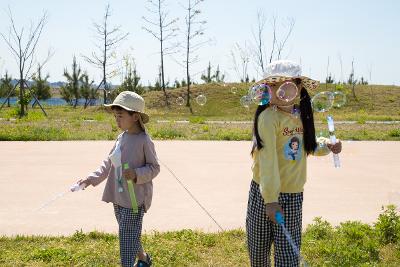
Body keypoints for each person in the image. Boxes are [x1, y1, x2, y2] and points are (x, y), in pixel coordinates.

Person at [246, 60, 342, 266]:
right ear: (266, 90)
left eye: (285, 84)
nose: (278, 90)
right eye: (272, 85)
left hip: (292, 195)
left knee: (288, 257)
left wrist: (327, 146)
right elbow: (268, 160)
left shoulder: (301, 114)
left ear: (299, 87)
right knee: (259, 251)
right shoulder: (268, 118)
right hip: (264, 193)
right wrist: (270, 200)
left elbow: (307, 145)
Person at [75, 91, 160, 267]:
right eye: (115, 116)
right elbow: (109, 162)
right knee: (129, 233)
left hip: (134, 200)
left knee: (126, 237)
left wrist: (137, 173)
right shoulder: (121, 138)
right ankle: (144, 258)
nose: (117, 120)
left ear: (135, 116)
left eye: (120, 116)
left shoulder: (144, 140)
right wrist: (91, 179)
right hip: (119, 196)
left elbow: (154, 168)